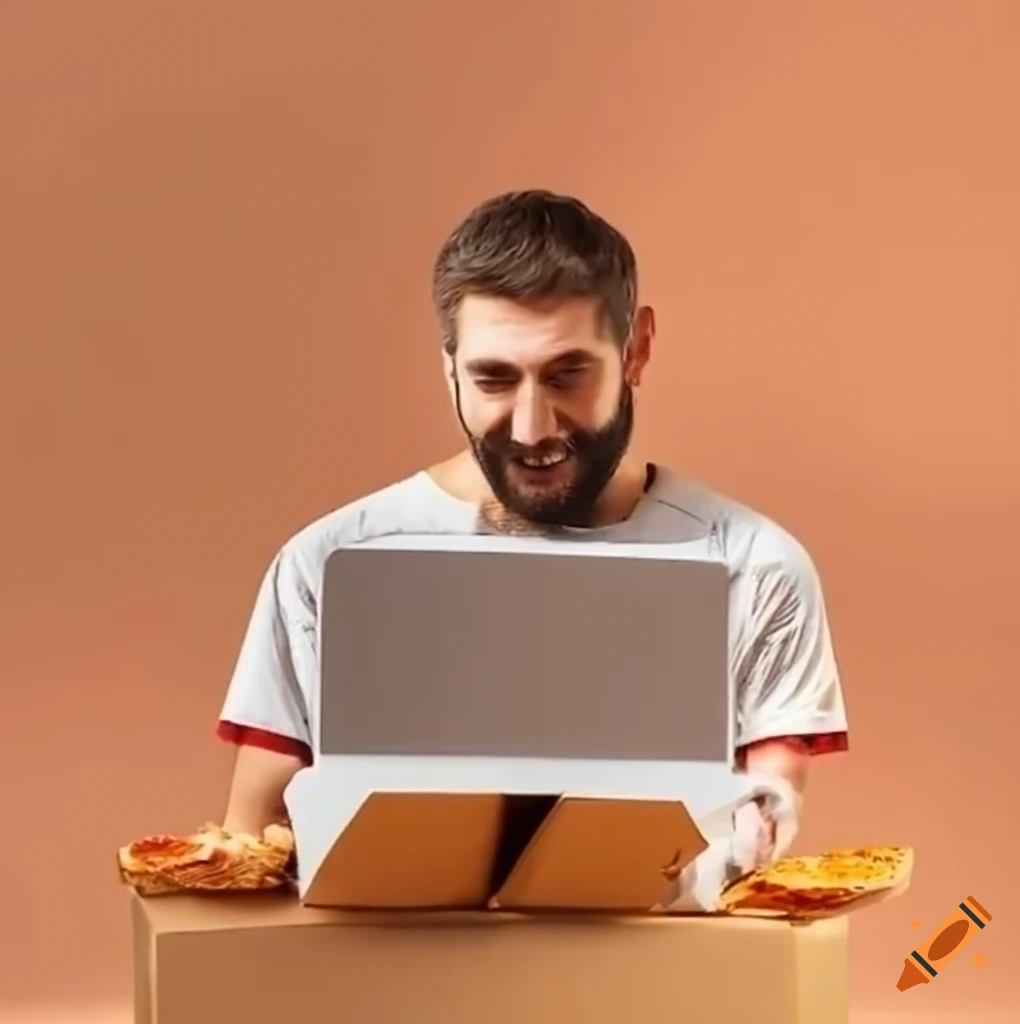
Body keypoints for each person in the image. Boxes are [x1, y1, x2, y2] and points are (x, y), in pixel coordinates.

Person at [216, 189, 848, 869]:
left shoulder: (756, 567)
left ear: (636, 350)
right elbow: (253, 842)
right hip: (390, 971)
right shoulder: (325, 565)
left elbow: (767, 821)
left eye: (567, 374)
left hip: (660, 967)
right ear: (448, 368)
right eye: (492, 379)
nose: (531, 428)